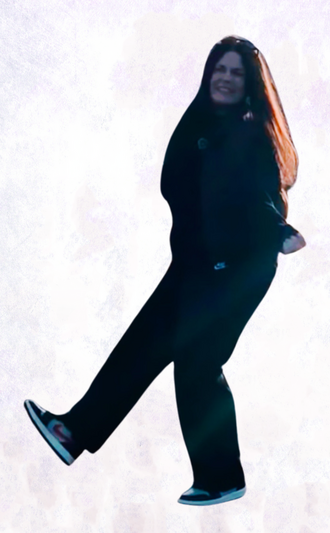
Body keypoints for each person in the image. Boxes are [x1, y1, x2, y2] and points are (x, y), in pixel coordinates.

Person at [24, 35, 306, 506]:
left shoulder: (247, 132)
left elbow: (256, 192)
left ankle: (221, 477)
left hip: (236, 270)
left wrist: (278, 230)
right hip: (197, 264)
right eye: (220, 69)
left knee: (198, 361)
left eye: (237, 73)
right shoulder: (201, 121)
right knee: (143, 343)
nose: (226, 78)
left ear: (249, 85)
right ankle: (73, 432)